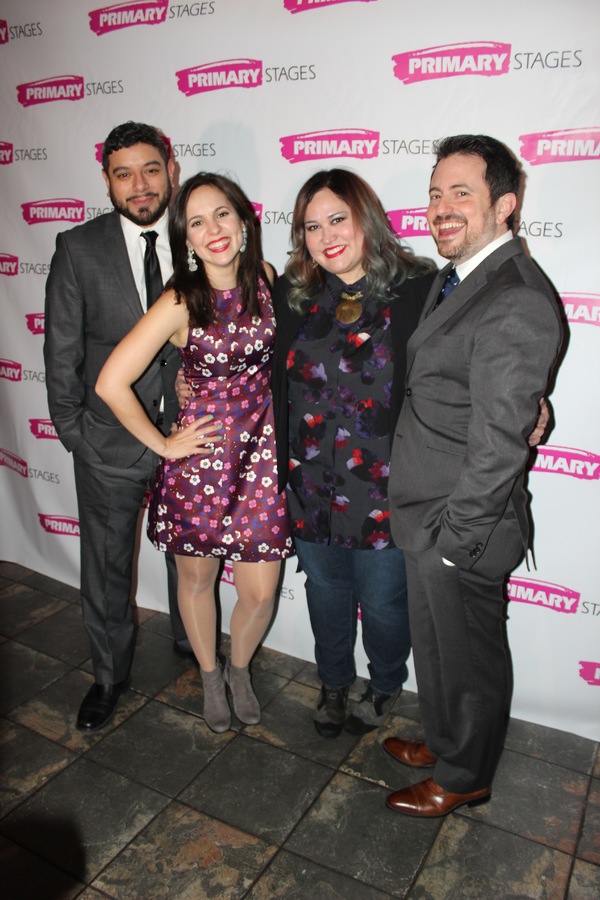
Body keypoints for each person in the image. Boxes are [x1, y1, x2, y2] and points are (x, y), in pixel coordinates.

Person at [384, 134, 563, 817]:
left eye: (462, 192)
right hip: (427, 508)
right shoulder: (451, 280)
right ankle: (443, 738)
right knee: (438, 649)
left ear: (506, 205)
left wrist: (456, 537)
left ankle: (465, 776)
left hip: (463, 522)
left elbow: (498, 443)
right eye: (435, 194)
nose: (442, 207)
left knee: (471, 660)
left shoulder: (515, 297)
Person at [96, 172, 293, 733]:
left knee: (259, 592)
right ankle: (210, 676)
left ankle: (239, 668)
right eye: (198, 222)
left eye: (222, 214)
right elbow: (112, 382)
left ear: (244, 221)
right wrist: (162, 443)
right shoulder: (180, 300)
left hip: (262, 457)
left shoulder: (267, 279)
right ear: (186, 237)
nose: (214, 230)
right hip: (200, 462)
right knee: (197, 582)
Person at [270, 169, 437, 738]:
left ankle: (385, 683)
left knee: (387, 603)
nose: (325, 235)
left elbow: (456, 369)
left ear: (366, 218)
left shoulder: (418, 289)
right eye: (311, 226)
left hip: (386, 490)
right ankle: (333, 682)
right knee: (326, 593)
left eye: (337, 219)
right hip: (309, 486)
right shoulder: (293, 295)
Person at [44, 121, 193, 734]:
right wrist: (78, 435)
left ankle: (193, 643)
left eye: (150, 170)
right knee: (106, 567)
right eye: (124, 173)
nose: (140, 185)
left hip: (189, 435)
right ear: (106, 179)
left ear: (171, 171)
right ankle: (109, 676)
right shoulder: (79, 248)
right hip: (108, 442)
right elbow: (62, 355)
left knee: (189, 553)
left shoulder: (198, 236)